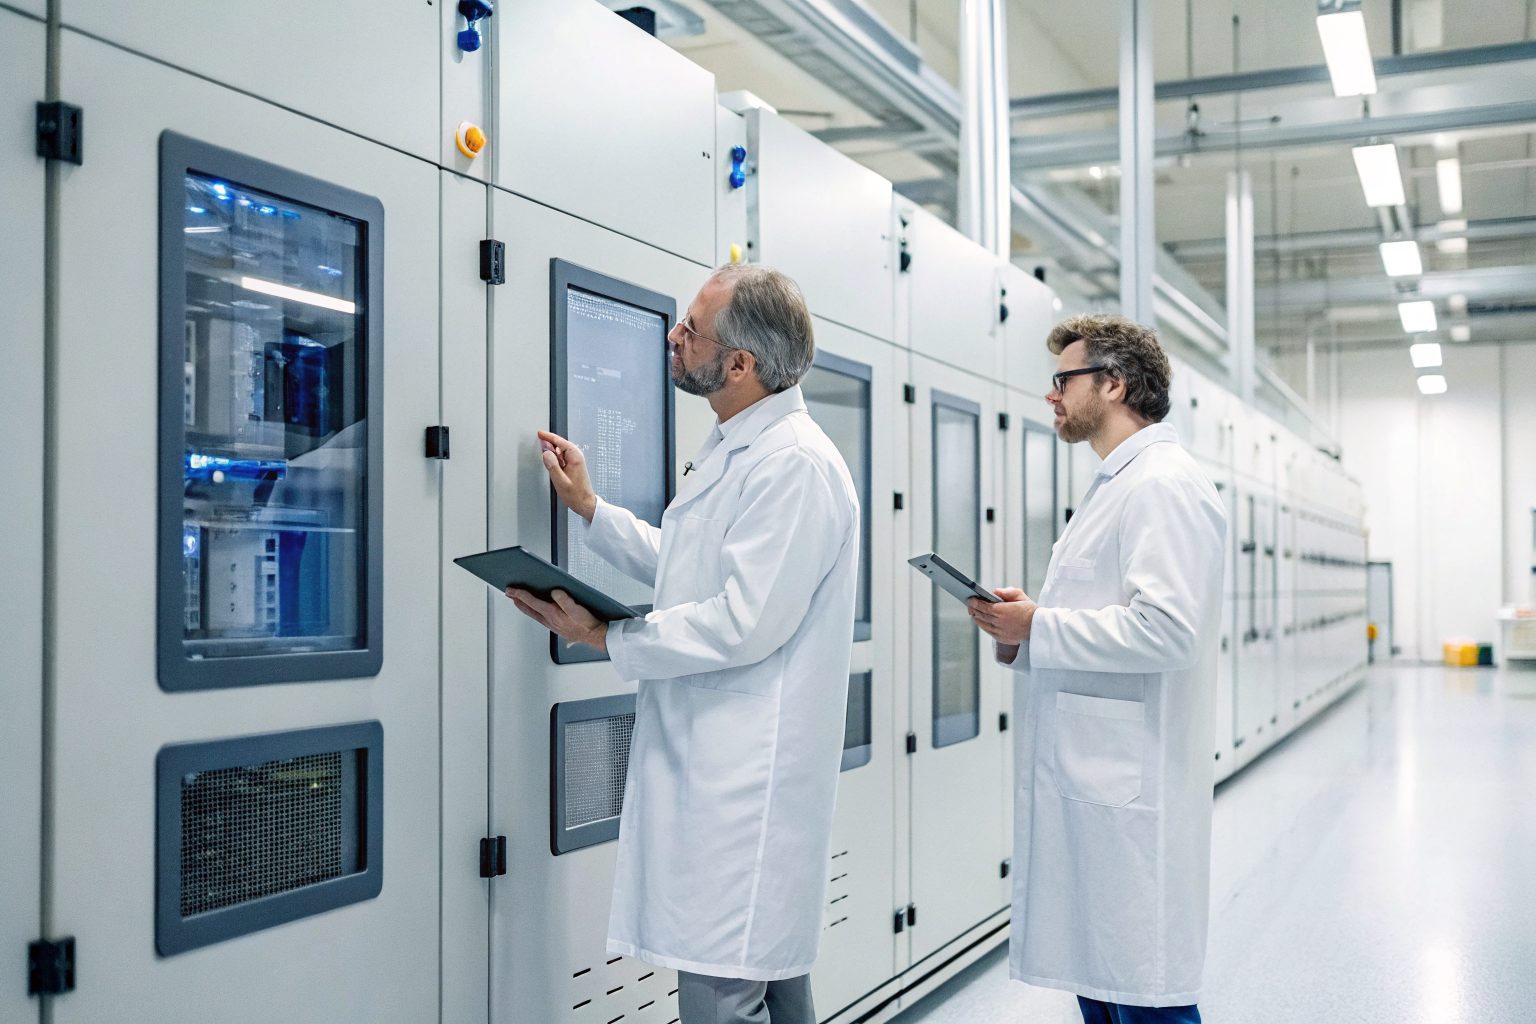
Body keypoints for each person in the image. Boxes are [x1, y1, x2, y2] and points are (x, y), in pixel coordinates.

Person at [507, 263, 860, 1024]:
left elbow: (741, 620)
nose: (674, 337)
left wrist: (607, 634)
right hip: (719, 765)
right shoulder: (743, 446)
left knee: (724, 994)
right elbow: (689, 565)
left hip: (746, 781)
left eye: (691, 330)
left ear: (740, 365)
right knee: (766, 982)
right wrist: (591, 509)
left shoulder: (792, 464)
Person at [967, 315, 1226, 1024]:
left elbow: (1168, 630)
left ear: (1113, 384)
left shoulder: (1162, 485)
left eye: (1063, 380)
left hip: (1130, 792)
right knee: (1107, 983)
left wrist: (1039, 626)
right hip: (1097, 783)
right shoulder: (1120, 484)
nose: (1051, 395)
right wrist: (1024, 631)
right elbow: (1104, 615)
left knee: (1144, 995)